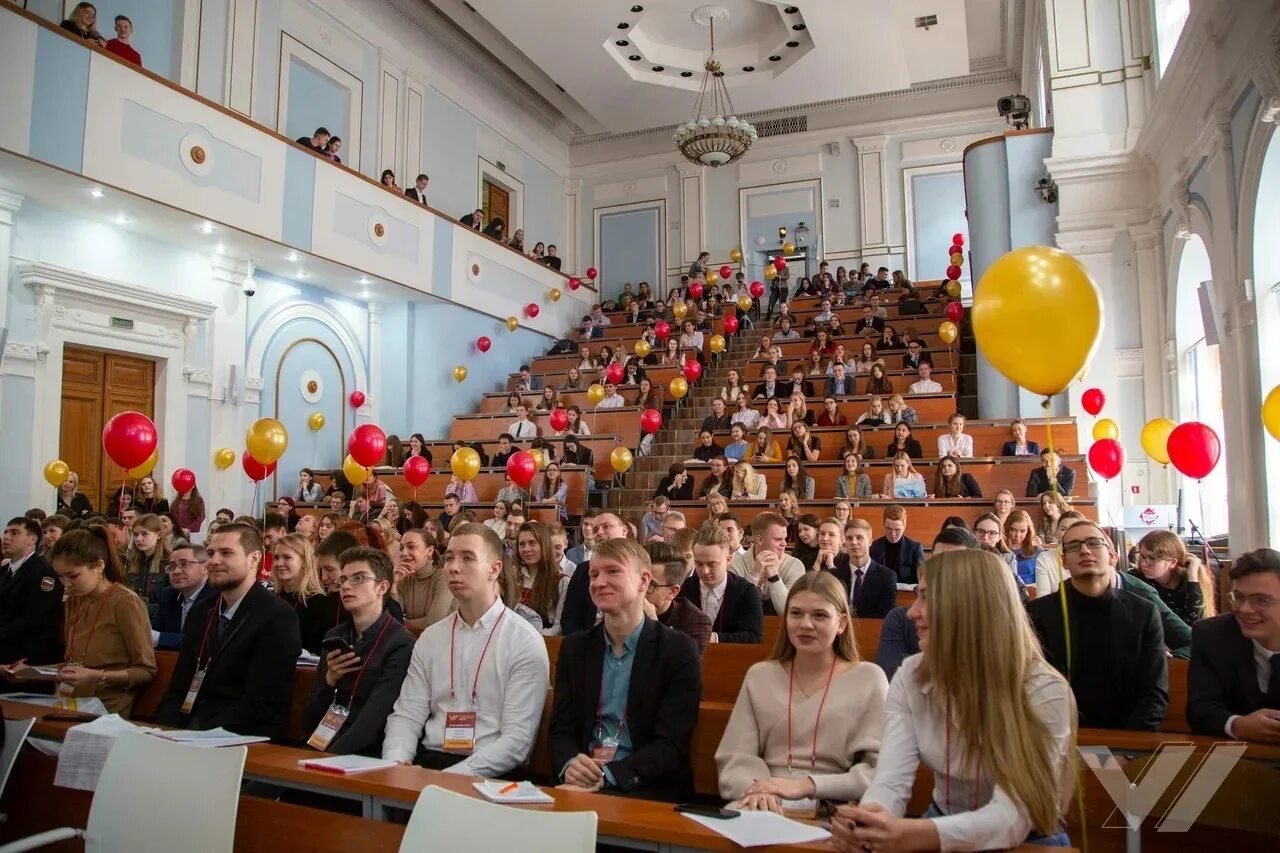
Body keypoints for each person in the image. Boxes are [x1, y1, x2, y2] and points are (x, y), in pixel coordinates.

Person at [835, 550, 1074, 851]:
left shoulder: (1042, 689)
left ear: (967, 607)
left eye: (925, 597)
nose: (911, 612)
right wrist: (870, 822)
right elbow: (891, 781)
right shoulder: (910, 674)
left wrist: (913, 834)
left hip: (1028, 839)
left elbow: (1012, 816)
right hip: (938, 821)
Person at [382, 523, 549, 773]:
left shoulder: (523, 640)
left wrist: (448, 780)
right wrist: (396, 763)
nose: (453, 567)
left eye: (467, 558)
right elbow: (407, 714)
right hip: (430, 760)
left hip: (492, 771)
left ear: (494, 569)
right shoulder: (431, 637)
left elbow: (517, 742)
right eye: (449, 558)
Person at [717, 572, 887, 811]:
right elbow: (736, 757)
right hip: (763, 801)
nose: (805, 624)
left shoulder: (868, 678)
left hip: (833, 805)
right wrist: (758, 790)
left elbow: (880, 769)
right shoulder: (760, 675)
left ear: (841, 623)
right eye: (796, 613)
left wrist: (810, 786)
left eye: (819, 615)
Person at [549, 538, 702, 800]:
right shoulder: (575, 648)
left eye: (613, 571)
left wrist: (607, 777)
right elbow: (561, 730)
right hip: (579, 782)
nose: (599, 582)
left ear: (644, 581)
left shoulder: (677, 650)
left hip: (645, 787)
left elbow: (671, 745)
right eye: (593, 574)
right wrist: (570, 765)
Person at [156, 524, 302, 738]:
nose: (214, 561)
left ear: (254, 559)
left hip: (242, 736)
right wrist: (165, 729)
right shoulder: (202, 611)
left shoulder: (277, 616)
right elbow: (179, 686)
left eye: (226, 553)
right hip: (192, 728)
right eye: (211, 553)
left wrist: (198, 735)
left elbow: (262, 703)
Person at [1027, 520, 1168, 731]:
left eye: (1094, 543)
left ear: (1112, 556)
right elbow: (1032, 687)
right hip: (1060, 737)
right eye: (1074, 546)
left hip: (1128, 739)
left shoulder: (1143, 612)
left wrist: (1128, 751)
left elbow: (1154, 691)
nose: (1084, 550)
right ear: (1064, 561)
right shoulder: (1038, 613)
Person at [302, 546, 415, 756]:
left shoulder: (400, 644)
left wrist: (321, 764)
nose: (346, 586)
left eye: (358, 578)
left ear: (382, 587)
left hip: (361, 753)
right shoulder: (335, 637)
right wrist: (329, 681)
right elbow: (309, 721)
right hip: (322, 740)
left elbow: (371, 725)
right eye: (343, 579)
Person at [32, 528, 156, 716]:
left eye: (73, 576)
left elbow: (145, 671)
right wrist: (33, 672)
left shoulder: (125, 602)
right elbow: (74, 664)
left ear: (98, 566)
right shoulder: (75, 599)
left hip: (107, 705)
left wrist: (99, 676)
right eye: (60, 576)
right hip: (70, 700)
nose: (66, 584)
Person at [1186, 548, 1280, 741]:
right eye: (1238, 597)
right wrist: (1237, 725)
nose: (1245, 609)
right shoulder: (1211, 635)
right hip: (1234, 757)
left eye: (1261, 600)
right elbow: (1200, 710)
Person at [875, 526, 978, 681]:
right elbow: (892, 679)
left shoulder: (984, 624)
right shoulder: (901, 619)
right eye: (936, 560)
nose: (940, 570)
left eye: (952, 565)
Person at [679, 525, 764, 644]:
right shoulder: (683, 589)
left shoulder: (747, 592)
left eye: (712, 564)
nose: (705, 571)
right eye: (699, 564)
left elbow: (753, 637)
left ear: (728, 560)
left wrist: (713, 638)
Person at [0, 517, 61, 669]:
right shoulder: (4, 571)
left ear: (32, 539)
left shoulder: (42, 572)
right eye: (6, 532)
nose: (6, 537)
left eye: (14, 533)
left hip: (25, 655)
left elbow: (33, 620)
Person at [273, 533, 340, 655]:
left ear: (304, 561)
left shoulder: (318, 603)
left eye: (287, 557)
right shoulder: (272, 598)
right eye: (276, 558)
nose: (279, 563)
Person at [728, 512, 806, 617]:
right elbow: (733, 613)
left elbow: (788, 613)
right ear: (759, 540)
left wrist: (774, 577)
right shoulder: (734, 565)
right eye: (778, 539)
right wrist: (754, 576)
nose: (784, 544)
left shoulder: (795, 566)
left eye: (785, 538)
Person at [643, 542, 712, 655]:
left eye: (650, 585)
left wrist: (653, 626)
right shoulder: (622, 611)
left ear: (672, 592)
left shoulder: (695, 622)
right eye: (638, 580)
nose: (640, 590)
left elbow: (686, 671)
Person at [151, 540, 217, 651]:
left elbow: (203, 641)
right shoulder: (168, 595)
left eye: (184, 564)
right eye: (172, 566)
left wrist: (158, 638)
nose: (176, 571)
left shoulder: (217, 597)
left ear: (205, 568)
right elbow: (156, 627)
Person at [828, 519, 896, 618]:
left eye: (859, 538)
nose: (854, 542)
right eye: (849, 538)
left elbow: (885, 615)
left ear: (870, 541)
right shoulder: (835, 576)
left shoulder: (887, 577)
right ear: (845, 542)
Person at [513, 521, 570, 635]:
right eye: (522, 544)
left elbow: (558, 627)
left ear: (544, 545)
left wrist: (532, 637)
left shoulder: (561, 581)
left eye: (532, 543)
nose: (526, 549)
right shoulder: (512, 575)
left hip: (542, 640)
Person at [870, 505, 926, 585]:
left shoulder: (915, 548)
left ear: (904, 527)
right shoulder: (873, 547)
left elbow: (922, 580)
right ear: (883, 525)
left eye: (897, 530)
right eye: (888, 529)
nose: (893, 534)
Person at [1003, 510, 1052, 588]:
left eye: (1022, 531)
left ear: (1028, 531)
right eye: (1013, 530)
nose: (1017, 535)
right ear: (1007, 528)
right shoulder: (1000, 549)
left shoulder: (1037, 551)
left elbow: (1044, 581)